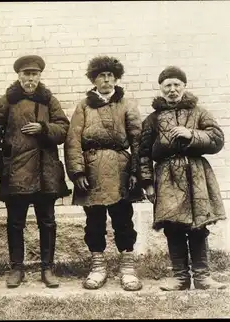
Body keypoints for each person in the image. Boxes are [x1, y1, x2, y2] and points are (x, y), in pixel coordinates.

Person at [0, 55, 71, 288]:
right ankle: (17, 269)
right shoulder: (7, 101)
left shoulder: (49, 100)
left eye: (34, 74)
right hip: (15, 172)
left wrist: (44, 128)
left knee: (47, 221)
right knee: (15, 222)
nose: (30, 78)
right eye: (26, 74)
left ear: (40, 76)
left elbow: (63, 129)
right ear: (19, 76)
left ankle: (47, 269)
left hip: (45, 171)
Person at [139, 66, 227, 291]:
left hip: (195, 174)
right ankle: (180, 278)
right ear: (161, 88)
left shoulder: (199, 112)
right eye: (167, 85)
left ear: (184, 86)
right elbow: (143, 153)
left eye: (177, 84)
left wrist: (192, 135)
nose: (172, 89)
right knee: (173, 226)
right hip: (167, 176)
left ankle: (202, 277)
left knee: (198, 227)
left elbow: (217, 139)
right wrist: (147, 183)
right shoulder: (153, 119)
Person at [64, 56, 144, 291]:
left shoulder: (127, 104)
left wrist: (135, 171)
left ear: (116, 78)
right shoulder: (84, 106)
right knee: (94, 221)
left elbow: (138, 140)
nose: (106, 80)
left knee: (123, 219)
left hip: (120, 169)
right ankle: (98, 267)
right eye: (101, 76)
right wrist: (78, 172)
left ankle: (127, 268)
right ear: (94, 80)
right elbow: (73, 140)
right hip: (92, 171)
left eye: (110, 76)